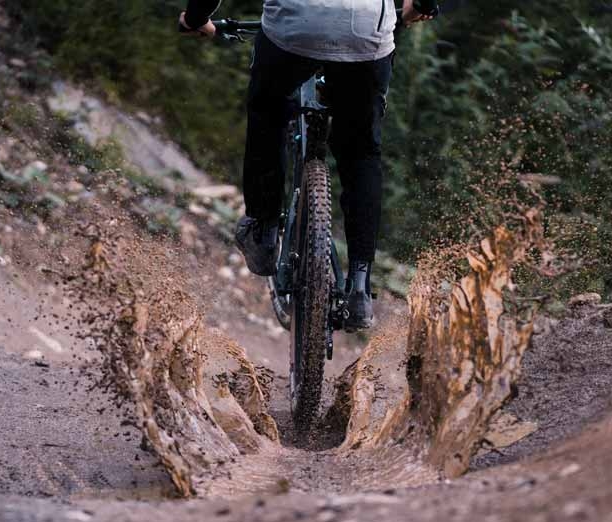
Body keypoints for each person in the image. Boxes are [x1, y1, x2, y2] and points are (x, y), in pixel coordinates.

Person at [180, 1, 438, 330]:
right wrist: (420, 6)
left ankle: (264, 231)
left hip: (294, 27)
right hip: (366, 35)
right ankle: (359, 289)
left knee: (268, 112)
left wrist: (196, 18)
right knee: (361, 152)